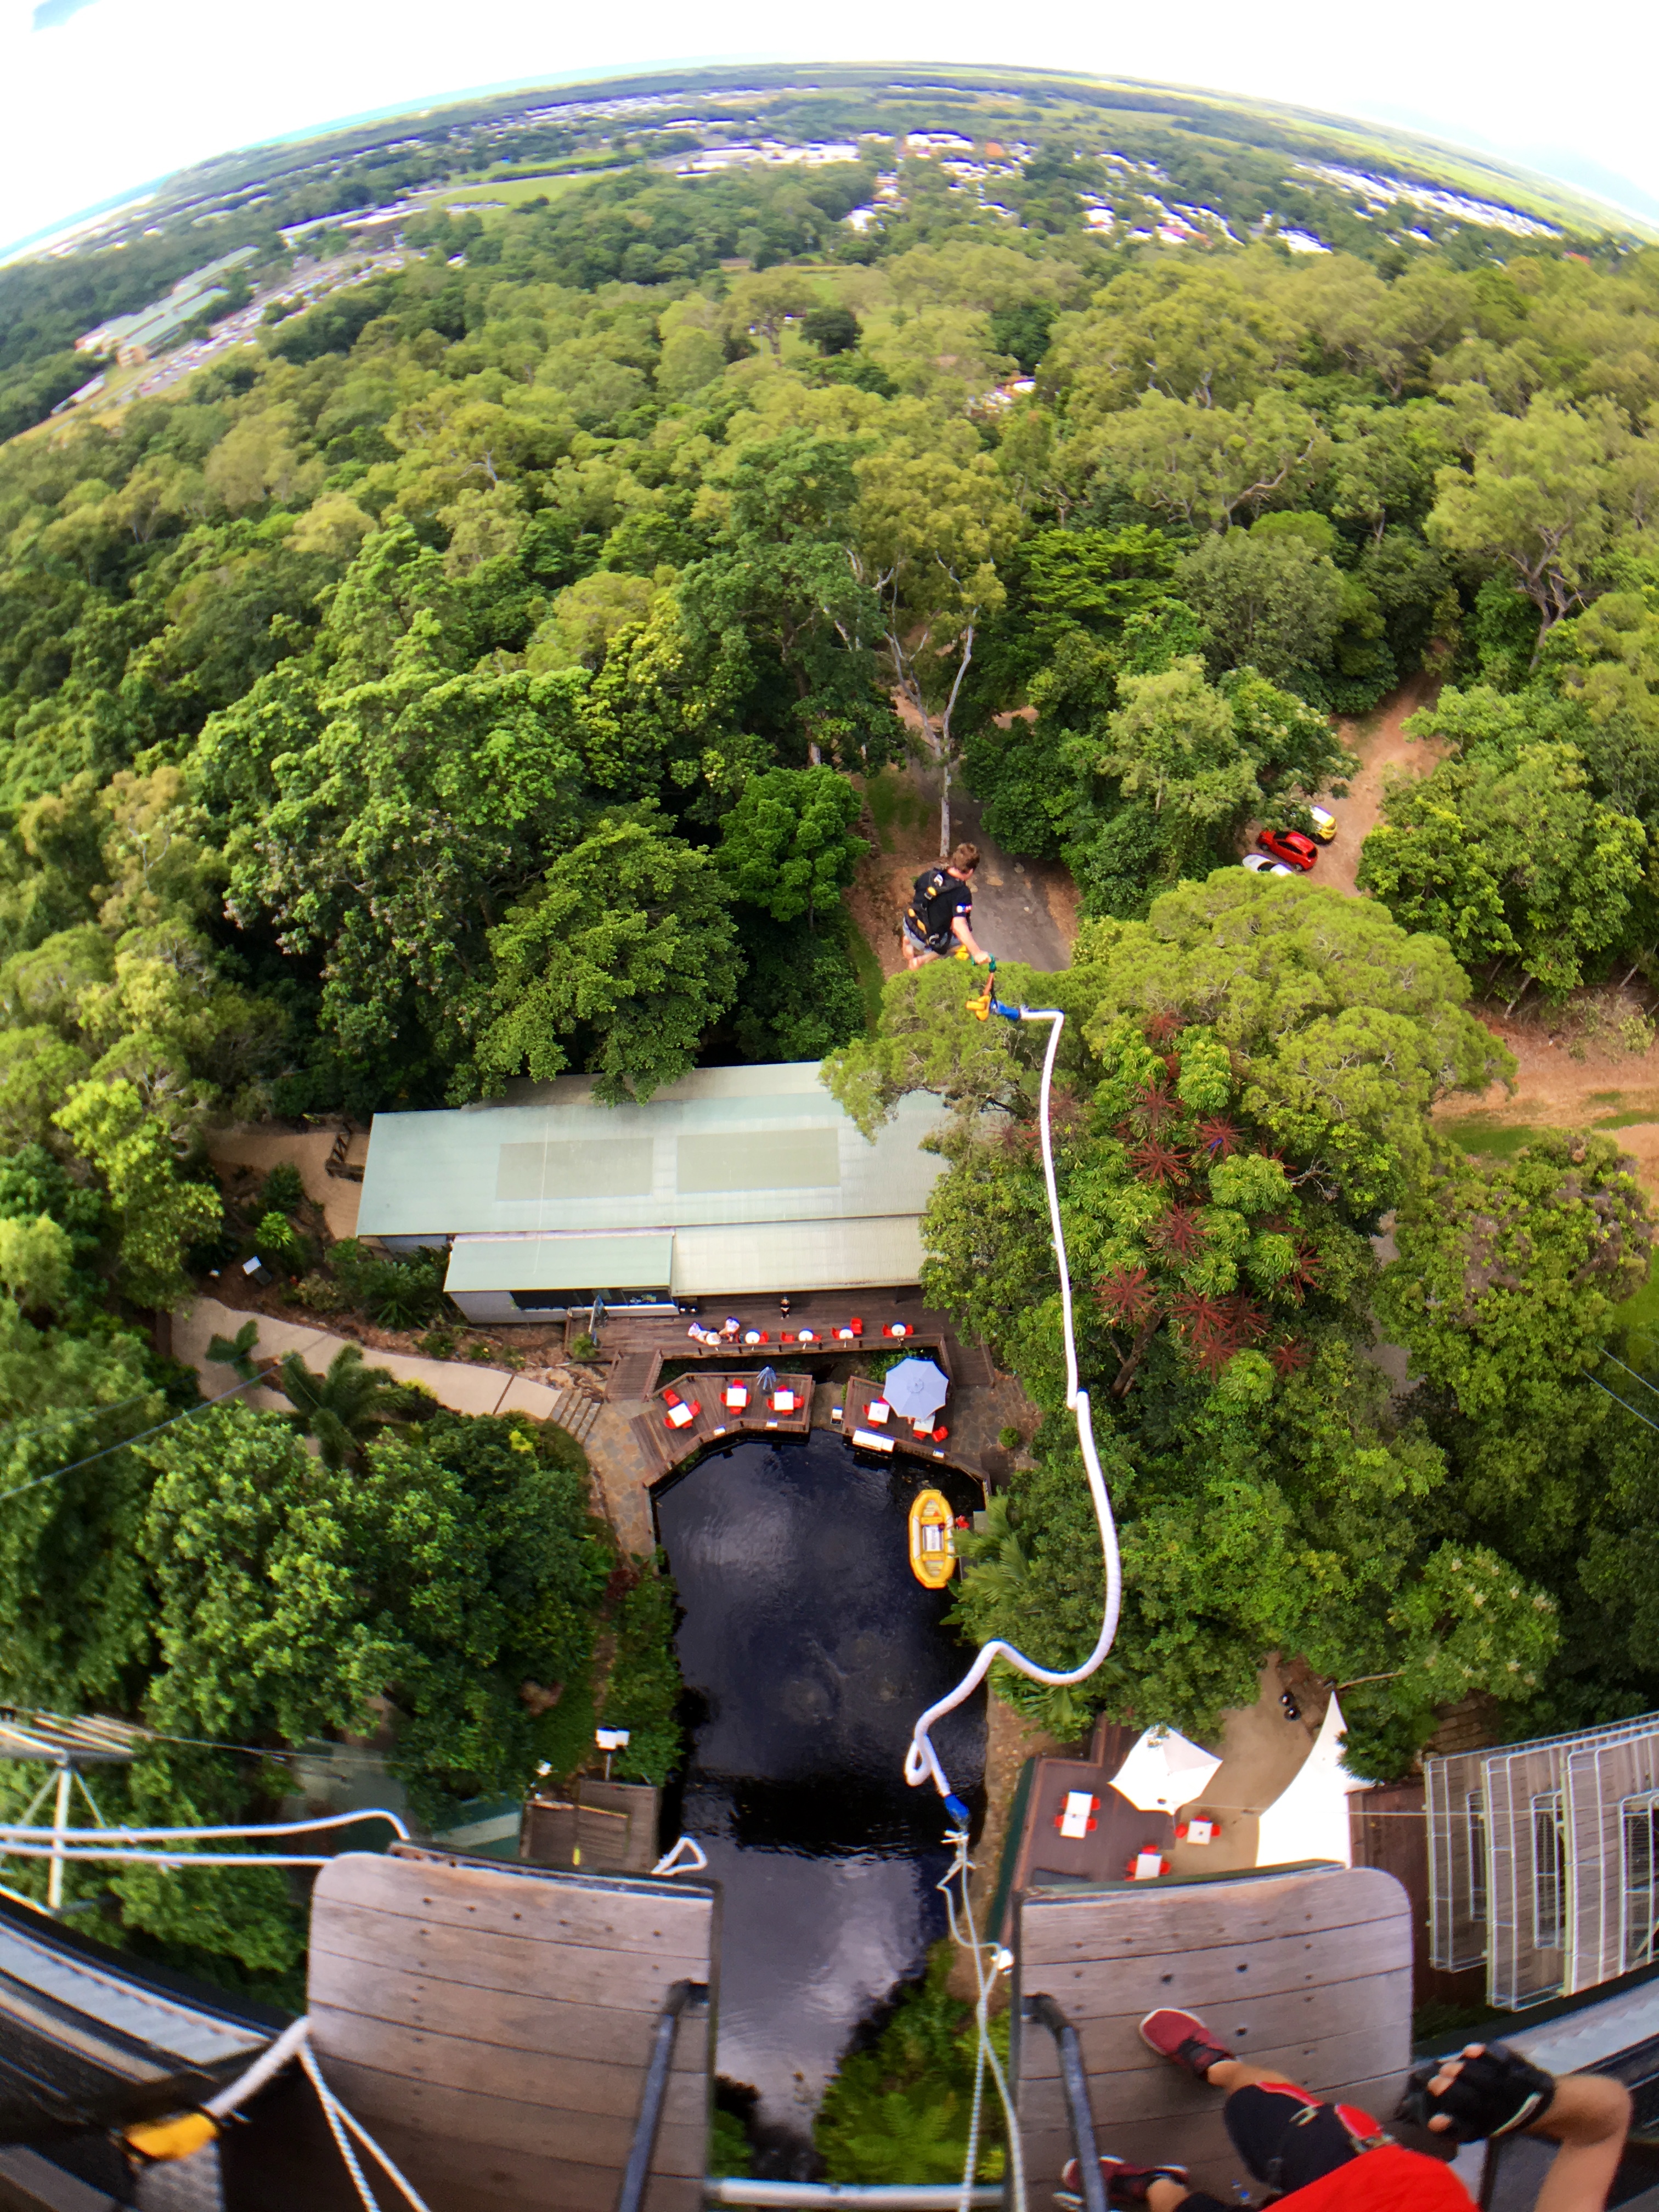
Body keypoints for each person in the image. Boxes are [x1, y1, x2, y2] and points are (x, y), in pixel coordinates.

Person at [1063, 2007, 1631, 2211]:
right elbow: (1602, 2128)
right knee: (1254, 2103)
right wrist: (1534, 2102)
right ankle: (1219, 2068)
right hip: (1377, 2193)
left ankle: (1159, 2186)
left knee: (1174, 2205)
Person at [901, 844, 991, 971]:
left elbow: (919, 895)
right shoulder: (962, 893)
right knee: (960, 942)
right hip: (925, 939)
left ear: (953, 861)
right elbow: (959, 926)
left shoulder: (930, 875)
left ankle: (907, 939)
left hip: (909, 924)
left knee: (928, 916)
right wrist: (977, 953)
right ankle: (920, 960)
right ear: (971, 871)